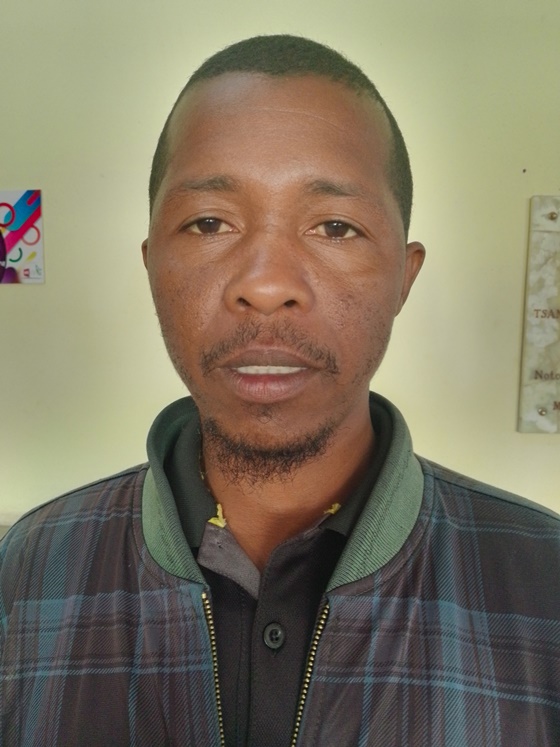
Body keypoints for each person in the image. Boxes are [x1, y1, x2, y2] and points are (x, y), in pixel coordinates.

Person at [1, 35, 559, 747]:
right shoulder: (30, 568)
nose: (265, 284)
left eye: (335, 227)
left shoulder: (543, 580)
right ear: (152, 265)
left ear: (404, 277)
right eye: (209, 223)